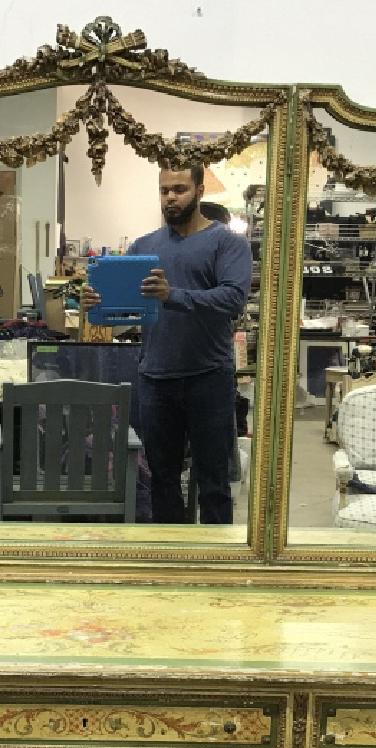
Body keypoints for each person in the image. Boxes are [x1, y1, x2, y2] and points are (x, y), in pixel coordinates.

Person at [82, 166, 251, 523]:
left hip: (209, 378)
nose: (170, 197)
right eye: (164, 190)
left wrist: (173, 295)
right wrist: (94, 302)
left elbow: (233, 300)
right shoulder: (144, 247)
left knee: (213, 484)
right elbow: (125, 308)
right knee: (162, 481)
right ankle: (171, 561)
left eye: (179, 189)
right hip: (156, 379)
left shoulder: (227, 242)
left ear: (200, 191)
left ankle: (217, 568)